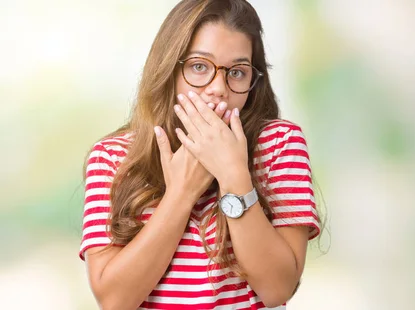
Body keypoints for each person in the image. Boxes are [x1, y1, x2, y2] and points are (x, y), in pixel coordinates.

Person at [79, 1, 322, 309]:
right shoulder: (112, 156)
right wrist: (182, 192)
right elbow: (114, 300)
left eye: (236, 72)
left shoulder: (279, 144)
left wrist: (234, 176)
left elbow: (277, 289)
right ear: (169, 69)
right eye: (199, 66)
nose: (218, 88)